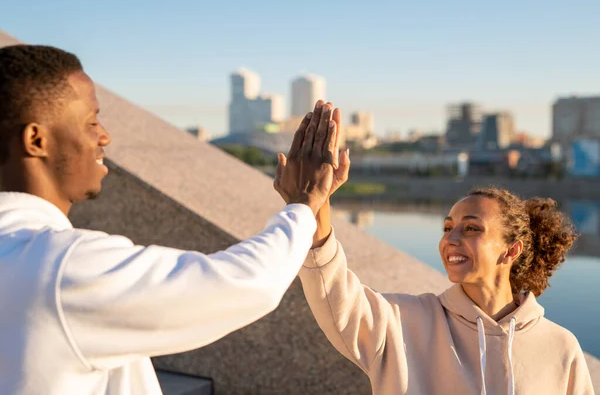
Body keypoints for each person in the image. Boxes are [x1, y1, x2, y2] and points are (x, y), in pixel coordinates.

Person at [0, 44, 338, 395]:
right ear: (36, 140)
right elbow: (246, 283)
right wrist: (302, 205)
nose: (104, 136)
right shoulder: (58, 268)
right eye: (90, 121)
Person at [277, 118, 595, 393]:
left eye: (471, 229)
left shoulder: (560, 347)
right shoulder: (405, 321)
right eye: (447, 228)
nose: (450, 239)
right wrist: (313, 205)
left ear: (511, 250)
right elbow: (334, 294)